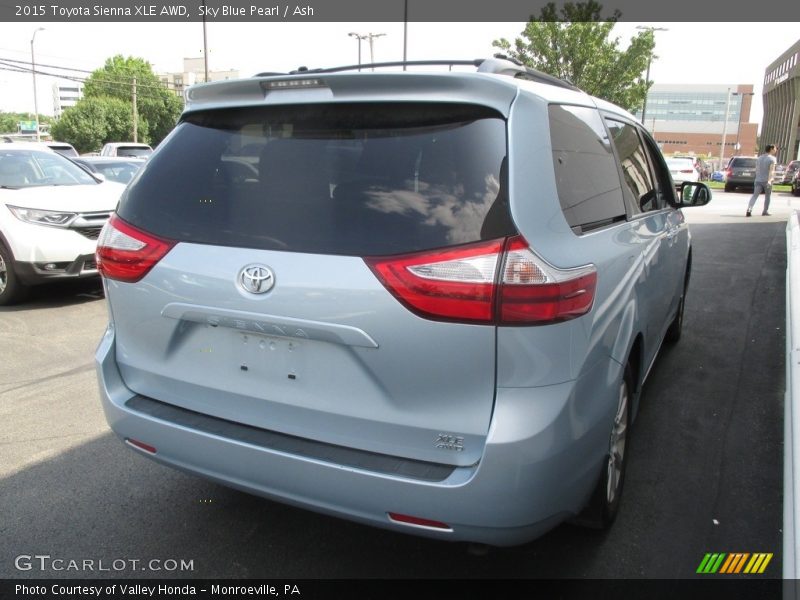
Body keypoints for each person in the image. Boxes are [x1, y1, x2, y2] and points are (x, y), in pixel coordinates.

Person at [746, 144, 778, 217]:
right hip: (767, 181)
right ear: (771, 149)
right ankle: (765, 211)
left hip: (758, 180)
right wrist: (769, 181)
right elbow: (771, 171)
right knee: (767, 196)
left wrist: (758, 177)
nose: (776, 150)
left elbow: (757, 169)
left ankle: (749, 209)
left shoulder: (759, 158)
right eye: (775, 148)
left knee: (755, 195)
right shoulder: (772, 159)